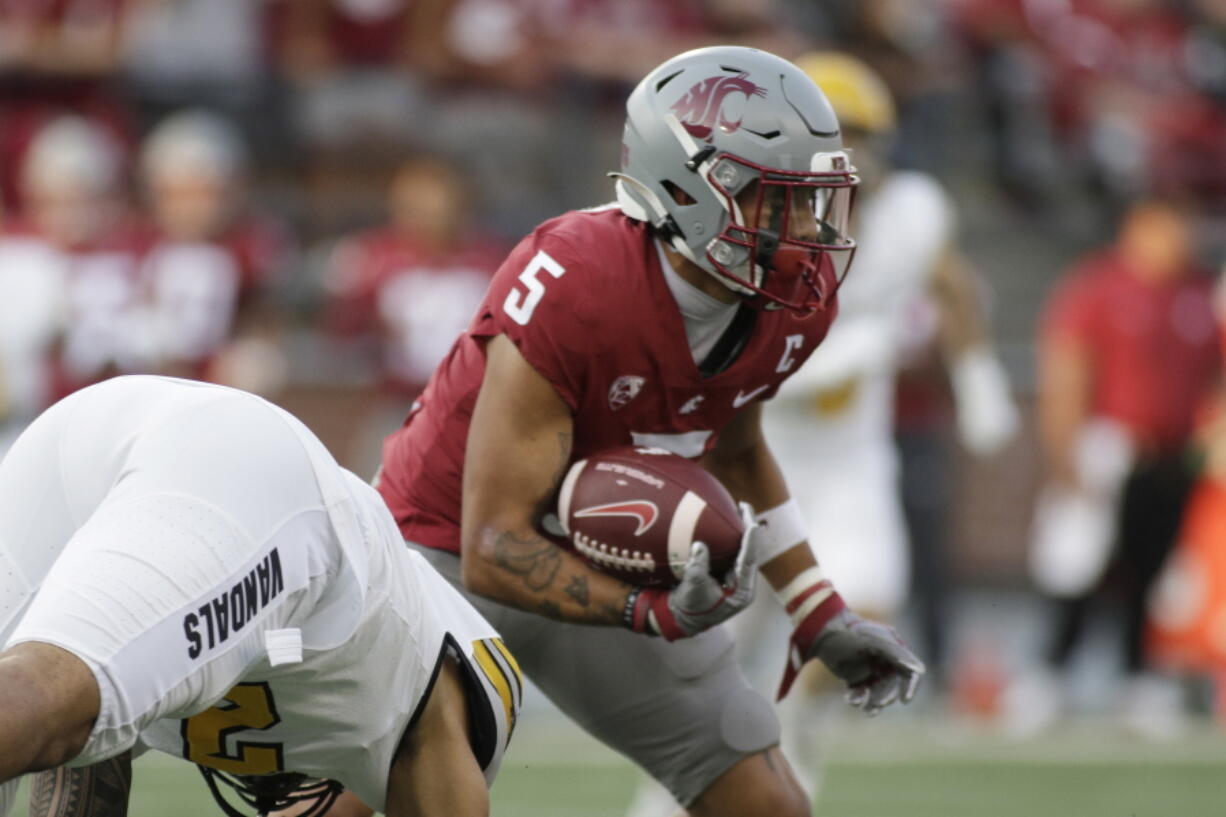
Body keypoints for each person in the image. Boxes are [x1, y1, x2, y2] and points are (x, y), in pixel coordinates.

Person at [374, 46, 924, 817]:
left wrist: (820, 613)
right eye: (779, 200)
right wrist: (654, 613)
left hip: (599, 542)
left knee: (767, 801)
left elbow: (737, 448)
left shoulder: (794, 299)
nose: (807, 228)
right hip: (440, 549)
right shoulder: (577, 276)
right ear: (691, 191)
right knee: (412, 797)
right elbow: (494, 545)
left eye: (814, 199)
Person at [0, 375, 521, 817]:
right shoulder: (427, 722)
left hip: (82, 439)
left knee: (50, 705)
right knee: (48, 697)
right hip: (244, 477)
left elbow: (86, 754)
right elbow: (67, 703)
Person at [1008, 198, 1220, 738]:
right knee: (1076, 563)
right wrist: (1064, 450)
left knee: (1151, 570)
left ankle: (1140, 678)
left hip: (1172, 456)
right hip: (1107, 445)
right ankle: (1049, 672)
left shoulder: (1198, 293)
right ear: (1137, 228)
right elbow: (1067, 369)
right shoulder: (1101, 286)